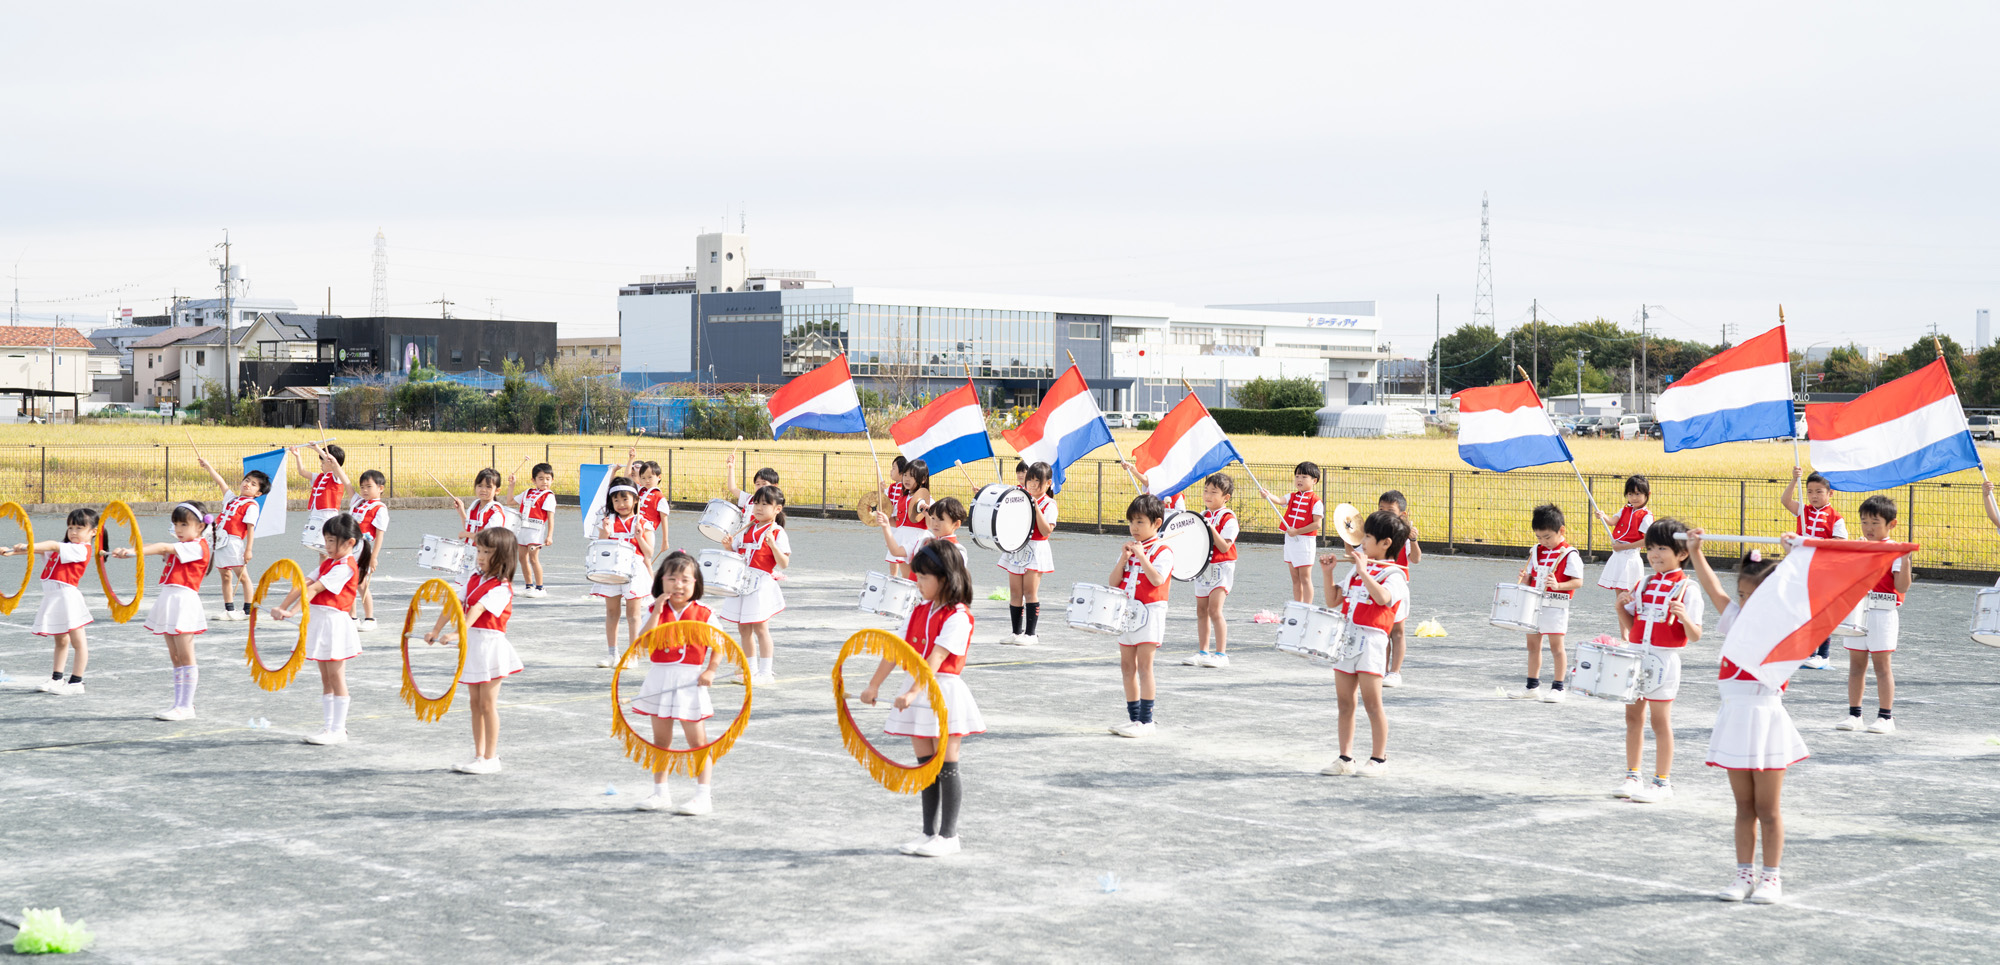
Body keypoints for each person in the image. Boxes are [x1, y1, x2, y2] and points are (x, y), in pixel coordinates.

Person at [1684, 529, 1803, 906]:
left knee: (1768, 810)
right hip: (1734, 719)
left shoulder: (1782, 626)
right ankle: (1743, 874)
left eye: (1754, 596)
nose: (1744, 601)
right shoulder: (1735, 617)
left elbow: (1799, 597)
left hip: (1766, 721)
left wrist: (1794, 557)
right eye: (1742, 595)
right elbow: (1713, 587)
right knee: (1743, 808)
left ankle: (1772, 878)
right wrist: (1694, 551)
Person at [860, 542, 985, 856]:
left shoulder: (959, 615)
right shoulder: (918, 609)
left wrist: (913, 691)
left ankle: (949, 836)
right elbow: (895, 651)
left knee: (946, 764)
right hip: (916, 689)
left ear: (944, 578)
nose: (917, 583)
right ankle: (929, 832)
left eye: (924, 578)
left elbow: (937, 657)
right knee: (925, 766)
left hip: (943, 692)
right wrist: (874, 685)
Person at [1613, 517, 1704, 803]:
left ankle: (1662, 781)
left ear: (1682, 553)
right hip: (1637, 656)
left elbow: (1696, 635)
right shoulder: (1643, 583)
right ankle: (1632, 776)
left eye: (1662, 548)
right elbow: (1631, 624)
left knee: (1660, 721)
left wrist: (1684, 617)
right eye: (1650, 548)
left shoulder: (1689, 589)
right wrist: (1619, 609)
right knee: (1632, 718)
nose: (1654, 554)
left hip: (1665, 661)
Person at [1316, 510, 1411, 777]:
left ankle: (1379, 759)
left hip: (1372, 642)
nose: (1362, 542)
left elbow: (1382, 598)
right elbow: (1333, 599)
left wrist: (1363, 571)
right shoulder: (1357, 571)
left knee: (1372, 703)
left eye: (1368, 536)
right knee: (1345, 703)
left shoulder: (1395, 575)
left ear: (1386, 543)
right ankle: (1345, 758)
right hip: (1347, 638)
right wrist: (1327, 572)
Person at [632, 551, 727, 815]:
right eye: (672, 579)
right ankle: (660, 793)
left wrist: (711, 670)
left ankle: (703, 795)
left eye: (685, 579)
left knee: (697, 740)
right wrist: (657, 612)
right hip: (660, 677)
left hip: (690, 679)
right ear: (661, 581)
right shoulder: (654, 610)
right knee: (660, 740)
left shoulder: (704, 612)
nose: (678, 585)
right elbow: (642, 642)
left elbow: (719, 644)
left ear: (696, 583)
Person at [424, 527, 522, 774]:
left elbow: (477, 610)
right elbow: (454, 605)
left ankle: (491, 758)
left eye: (487, 552)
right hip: (473, 646)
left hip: (490, 647)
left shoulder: (502, 587)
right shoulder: (475, 579)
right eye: (479, 550)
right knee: (474, 704)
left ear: (502, 556)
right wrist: (436, 630)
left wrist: (458, 633)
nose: (480, 556)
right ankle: (479, 756)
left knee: (488, 704)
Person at [270, 513, 369, 746]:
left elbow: (314, 590)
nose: (327, 545)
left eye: (332, 541)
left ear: (350, 543)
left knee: (336, 677)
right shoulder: (328, 562)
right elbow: (303, 583)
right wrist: (282, 607)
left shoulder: (346, 566)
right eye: (326, 540)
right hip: (319, 620)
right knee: (326, 678)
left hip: (334, 623)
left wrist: (291, 613)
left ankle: (338, 729)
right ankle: (329, 727)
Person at [6, 509, 105, 695]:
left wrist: (28, 545)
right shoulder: (66, 547)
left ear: (93, 531)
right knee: (60, 640)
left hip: (67, 598)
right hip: (54, 598)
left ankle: (76, 682)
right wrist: (13, 551)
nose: (73, 532)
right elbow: (43, 549)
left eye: (79, 528)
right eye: (70, 527)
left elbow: (51, 545)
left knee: (79, 642)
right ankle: (56, 678)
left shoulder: (81, 549)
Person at [1837, 495, 1911, 735]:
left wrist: (1906, 559)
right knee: (1856, 666)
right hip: (1858, 612)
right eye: (1864, 522)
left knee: (1882, 666)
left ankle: (1885, 717)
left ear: (1891, 524)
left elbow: (1901, 587)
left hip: (1883, 613)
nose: (1868, 528)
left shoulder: (1895, 552)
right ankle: (1854, 714)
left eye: (1875, 523)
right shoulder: (1859, 546)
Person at [1109, 494, 1173, 738]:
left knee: (1145, 666)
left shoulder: (1163, 551)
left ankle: (1147, 721)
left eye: (1140, 522)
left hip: (1151, 612)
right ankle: (1134, 719)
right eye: (1131, 522)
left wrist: (1142, 556)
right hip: (1127, 611)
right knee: (1127, 666)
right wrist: (1124, 559)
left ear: (1157, 523)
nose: (1134, 528)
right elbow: (1113, 583)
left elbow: (1157, 579)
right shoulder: (1129, 549)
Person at [140, 503, 211, 721]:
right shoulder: (183, 544)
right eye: (175, 524)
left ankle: (186, 706)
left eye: (183, 524)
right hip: (169, 598)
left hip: (184, 601)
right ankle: (179, 703)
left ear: (200, 526)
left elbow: (163, 547)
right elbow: (160, 547)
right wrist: (130, 551)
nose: (178, 529)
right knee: (176, 656)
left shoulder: (198, 546)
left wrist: (135, 551)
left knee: (186, 655)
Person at [715, 485, 790, 685]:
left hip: (760, 583)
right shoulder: (747, 527)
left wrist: (773, 545)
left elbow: (784, 563)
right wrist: (728, 546)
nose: (758, 507)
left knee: (760, 628)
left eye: (765, 504)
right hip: (741, 581)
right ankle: (750, 670)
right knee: (743, 629)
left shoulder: (777, 531)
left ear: (777, 509)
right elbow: (736, 554)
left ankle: (766, 672)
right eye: (756, 503)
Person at [1511, 503, 1583, 703]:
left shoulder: (1570, 554)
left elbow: (1578, 581)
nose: (1543, 541)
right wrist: (1526, 579)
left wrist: (1559, 585)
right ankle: (1532, 686)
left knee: (1556, 647)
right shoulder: (1536, 551)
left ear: (1561, 531)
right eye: (1539, 537)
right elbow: (1533, 577)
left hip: (1556, 605)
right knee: (1532, 646)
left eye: (1547, 537)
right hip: (1534, 604)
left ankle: (1558, 687)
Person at [1783, 468, 1848, 670]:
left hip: (1824, 571)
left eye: (1819, 491)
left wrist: (1817, 543)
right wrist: (1795, 480)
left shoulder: (1836, 518)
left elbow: (1839, 544)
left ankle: (1823, 655)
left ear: (1830, 493)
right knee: (1803, 610)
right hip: (1802, 568)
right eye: (1810, 491)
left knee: (1821, 612)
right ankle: (1808, 651)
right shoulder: (1803, 511)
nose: (1813, 496)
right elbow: (1785, 500)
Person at [593, 477, 656, 669]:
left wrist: (638, 536)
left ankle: (632, 654)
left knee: (633, 615)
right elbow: (600, 546)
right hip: (611, 569)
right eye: (616, 500)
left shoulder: (643, 522)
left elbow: (649, 553)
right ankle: (613, 654)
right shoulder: (607, 521)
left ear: (635, 500)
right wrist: (605, 532)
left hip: (634, 570)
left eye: (625, 499)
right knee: (612, 612)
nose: (621, 504)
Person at [197, 458, 267, 622]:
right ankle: (229, 609)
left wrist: (248, 549)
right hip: (219, 541)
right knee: (225, 576)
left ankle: (247, 611)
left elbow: (250, 528)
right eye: (247, 480)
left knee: (243, 577)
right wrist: (208, 467)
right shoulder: (232, 498)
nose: (247, 484)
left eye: (253, 484)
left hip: (234, 543)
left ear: (258, 493)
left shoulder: (251, 505)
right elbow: (221, 482)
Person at [998, 461, 1057, 646]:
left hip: (1037, 548)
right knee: (1015, 592)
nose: (1031, 484)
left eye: (1037, 481)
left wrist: (1036, 507)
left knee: (1029, 592)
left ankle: (1031, 634)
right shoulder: (1020, 497)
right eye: (1030, 480)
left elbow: (1046, 530)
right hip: (1017, 547)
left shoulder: (1049, 504)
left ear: (1048, 483)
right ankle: (1016, 633)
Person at [1184, 472, 1239, 669]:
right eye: (1206, 491)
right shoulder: (1203, 515)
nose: (1208, 495)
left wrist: (1209, 527)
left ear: (1226, 497)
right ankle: (1202, 651)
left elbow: (1224, 546)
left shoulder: (1229, 518)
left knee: (1215, 610)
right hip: (1203, 568)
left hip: (1222, 567)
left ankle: (1221, 654)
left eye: (1213, 492)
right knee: (1201, 611)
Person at [1262, 462, 1323, 606]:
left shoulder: (1316, 501)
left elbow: (1317, 524)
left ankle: (1307, 607)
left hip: (1305, 542)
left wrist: (1297, 531)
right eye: (1297, 476)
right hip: (1290, 540)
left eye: (1304, 476)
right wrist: (1268, 495)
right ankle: (1298, 606)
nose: (1299, 480)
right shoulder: (1292, 496)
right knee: (1295, 578)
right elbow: (1279, 501)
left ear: (1314, 481)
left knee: (1305, 578)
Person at [1379, 490, 1421, 686]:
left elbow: (1416, 559)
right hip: (1379, 585)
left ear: (1402, 514)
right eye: (1381, 509)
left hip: (1398, 586)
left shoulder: (1405, 534)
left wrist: (1413, 540)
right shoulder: (1375, 533)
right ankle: (1382, 669)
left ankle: (1395, 672)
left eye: (1390, 510)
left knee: (1398, 631)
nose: (1385, 513)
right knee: (1382, 631)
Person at [1595, 475, 1654, 592]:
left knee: (1629, 593)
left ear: (1647, 494)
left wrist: (1623, 547)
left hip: (1630, 556)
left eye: (1638, 494)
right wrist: (1602, 516)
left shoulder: (1646, 516)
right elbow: (1612, 522)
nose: (1634, 498)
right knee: (1619, 591)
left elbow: (1646, 541)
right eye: (1630, 494)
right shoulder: (1625, 509)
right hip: (1618, 555)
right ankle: (1619, 610)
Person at [347, 469, 389, 631]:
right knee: (349, 581)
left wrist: (373, 557)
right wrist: (333, 463)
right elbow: (346, 482)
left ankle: (370, 618)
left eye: (369, 486)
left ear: (380, 488)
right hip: (349, 547)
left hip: (364, 549)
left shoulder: (380, 508)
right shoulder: (358, 502)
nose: (364, 490)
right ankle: (353, 617)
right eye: (362, 487)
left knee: (361, 583)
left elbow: (380, 535)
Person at [290, 443, 349, 554]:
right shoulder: (319, 477)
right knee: (321, 551)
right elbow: (302, 472)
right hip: (316, 514)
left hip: (328, 515)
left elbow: (332, 462)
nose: (321, 465)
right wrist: (297, 456)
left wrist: (317, 449)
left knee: (327, 548)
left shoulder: (337, 478)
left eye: (323, 462)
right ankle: (323, 570)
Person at [509, 462, 557, 597]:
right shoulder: (528, 492)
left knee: (533, 558)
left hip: (536, 531)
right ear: (533, 480)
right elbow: (510, 501)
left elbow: (550, 518)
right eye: (541, 479)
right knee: (522, 558)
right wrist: (512, 485)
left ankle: (540, 588)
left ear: (552, 480)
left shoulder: (549, 496)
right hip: (522, 529)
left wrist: (549, 536)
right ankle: (529, 586)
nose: (544, 482)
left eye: (548, 479)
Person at [877, 496, 968, 565]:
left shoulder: (957, 551)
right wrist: (886, 526)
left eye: (941, 519)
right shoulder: (924, 541)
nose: (935, 523)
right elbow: (896, 551)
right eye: (933, 518)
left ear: (956, 524)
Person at [886, 459, 932, 580]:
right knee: (907, 579)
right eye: (905, 475)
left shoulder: (927, 500)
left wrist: (927, 513)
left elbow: (932, 524)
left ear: (923, 479)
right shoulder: (903, 497)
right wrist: (883, 519)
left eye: (911, 476)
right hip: (903, 539)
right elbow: (898, 520)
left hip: (917, 540)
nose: (906, 479)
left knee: (918, 577)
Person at [454, 468, 509, 540]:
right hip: (471, 549)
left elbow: (486, 537)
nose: (483, 490)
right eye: (480, 485)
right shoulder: (475, 506)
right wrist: (461, 512)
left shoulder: (496, 513)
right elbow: (470, 528)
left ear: (497, 490)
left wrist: (466, 534)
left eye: (488, 487)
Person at [628, 453, 667, 553]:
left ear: (659, 477)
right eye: (643, 478)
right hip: (633, 528)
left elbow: (664, 520)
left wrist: (665, 541)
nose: (647, 481)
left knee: (646, 559)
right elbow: (627, 478)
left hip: (647, 531)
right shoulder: (640, 489)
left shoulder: (660, 498)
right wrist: (631, 459)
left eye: (650, 477)